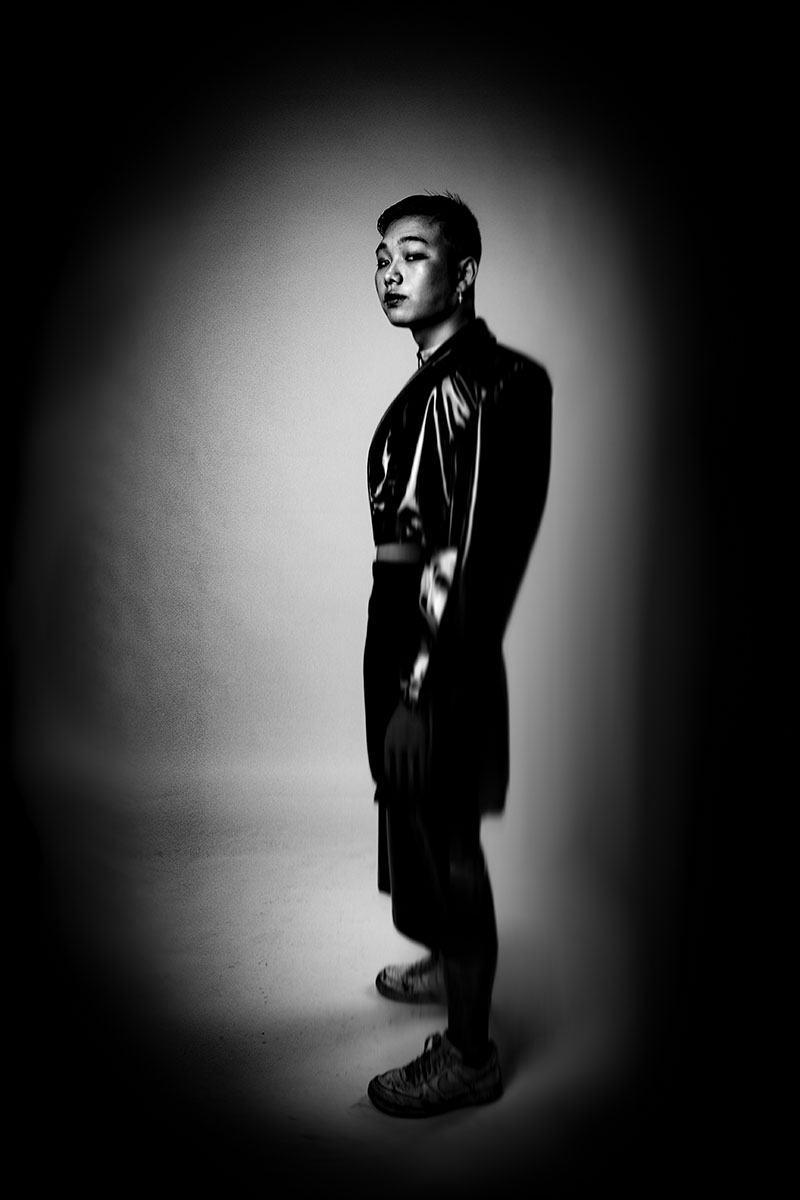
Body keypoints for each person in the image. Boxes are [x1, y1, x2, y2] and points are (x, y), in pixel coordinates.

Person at [363, 192, 552, 1117]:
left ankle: (470, 1055)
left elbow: (462, 557)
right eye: (381, 257)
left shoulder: (480, 384)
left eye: (413, 254)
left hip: (436, 642)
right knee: (416, 810)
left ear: (465, 271)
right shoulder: (439, 378)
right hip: (408, 628)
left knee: (448, 834)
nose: (390, 272)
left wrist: (416, 686)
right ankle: (448, 963)